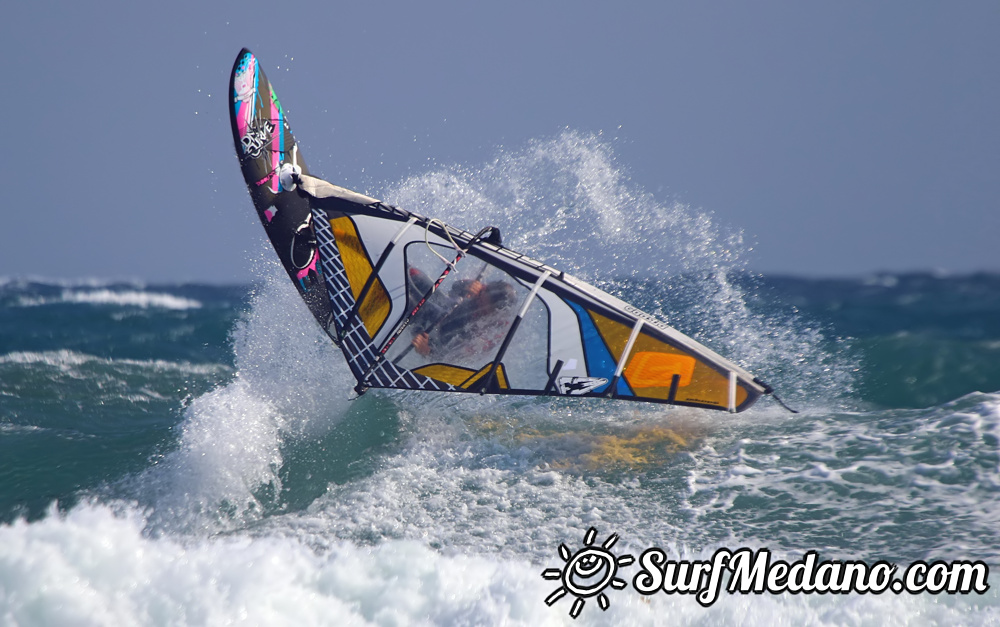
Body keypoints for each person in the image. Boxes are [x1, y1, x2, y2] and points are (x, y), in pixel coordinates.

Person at [406, 269, 517, 358]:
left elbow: (450, 359)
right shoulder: (483, 290)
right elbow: (454, 288)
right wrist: (467, 286)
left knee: (411, 303)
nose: (477, 302)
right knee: (414, 274)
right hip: (445, 306)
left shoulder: (489, 335)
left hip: (438, 338)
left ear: (494, 313)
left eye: (482, 307)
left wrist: (427, 351)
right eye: (479, 296)